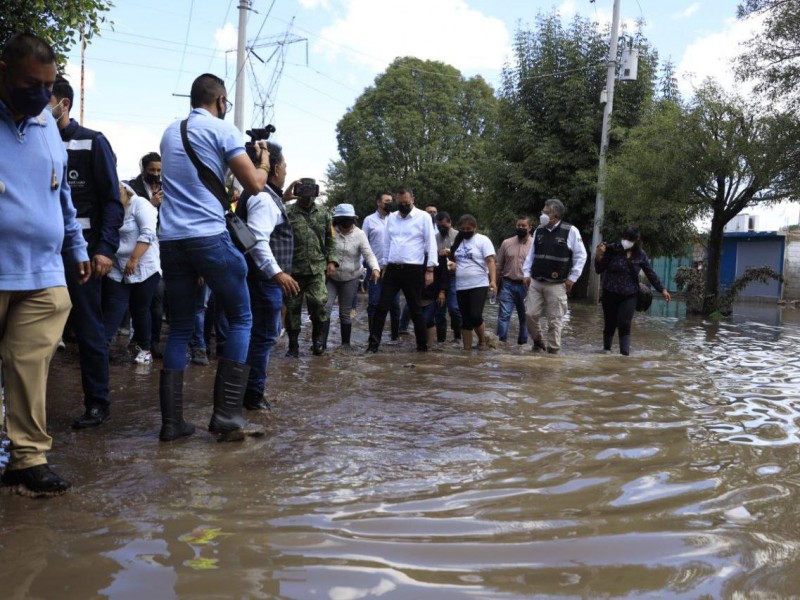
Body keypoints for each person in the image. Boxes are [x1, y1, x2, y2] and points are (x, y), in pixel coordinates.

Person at [0, 33, 91, 496]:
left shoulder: (46, 124)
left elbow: (63, 195)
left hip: (45, 272)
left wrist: (76, 247)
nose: (41, 95)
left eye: (48, 86)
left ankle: (27, 459)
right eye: (31, 84)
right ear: (3, 72)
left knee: (29, 364)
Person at [157, 72, 270, 442]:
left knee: (180, 329)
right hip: (208, 237)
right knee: (241, 318)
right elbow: (254, 184)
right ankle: (226, 417)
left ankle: (172, 425)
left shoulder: (170, 132)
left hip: (171, 241)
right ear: (221, 101)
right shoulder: (224, 131)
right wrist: (262, 162)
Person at [49, 76, 124, 429]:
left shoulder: (93, 143)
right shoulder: (33, 139)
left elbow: (113, 201)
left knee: (88, 328)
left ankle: (97, 404)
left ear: (63, 103)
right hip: (40, 252)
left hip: (84, 253)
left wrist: (105, 249)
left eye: (46, 98)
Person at [235, 142, 300, 410]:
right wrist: (278, 274)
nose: (286, 171)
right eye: (284, 167)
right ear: (274, 168)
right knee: (263, 336)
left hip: (255, 277)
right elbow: (259, 241)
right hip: (264, 280)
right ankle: (253, 395)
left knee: (254, 335)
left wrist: (282, 199)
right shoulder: (263, 199)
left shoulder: (261, 196)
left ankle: (244, 391)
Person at [367, 186, 438, 353]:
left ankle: (422, 347)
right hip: (392, 269)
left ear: (413, 199)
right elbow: (387, 243)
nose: (403, 206)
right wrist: (384, 264)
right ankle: (373, 346)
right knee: (381, 307)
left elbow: (431, 243)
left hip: (413, 270)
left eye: (406, 203)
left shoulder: (423, 217)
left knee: (415, 309)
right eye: (400, 203)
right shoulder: (392, 218)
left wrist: (430, 269)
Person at [101, 182, 161, 364]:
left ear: (124, 190)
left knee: (139, 308)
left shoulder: (140, 204)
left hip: (144, 265)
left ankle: (145, 348)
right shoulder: (109, 207)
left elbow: (148, 233)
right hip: (118, 265)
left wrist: (134, 259)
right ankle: (101, 347)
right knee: (114, 306)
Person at [522, 198, 587, 354]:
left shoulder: (570, 231)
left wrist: (573, 278)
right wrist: (526, 273)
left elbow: (581, 255)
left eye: (546, 212)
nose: (543, 215)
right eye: (543, 212)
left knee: (554, 320)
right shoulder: (539, 230)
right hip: (536, 281)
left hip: (557, 284)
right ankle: (538, 341)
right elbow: (531, 255)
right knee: (530, 314)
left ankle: (553, 352)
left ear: (556, 216)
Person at [594, 226, 671, 355]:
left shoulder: (640, 254)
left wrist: (662, 289)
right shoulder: (612, 250)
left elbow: (650, 273)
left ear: (636, 240)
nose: (626, 241)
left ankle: (625, 355)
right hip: (610, 292)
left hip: (629, 294)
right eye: (624, 238)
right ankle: (606, 351)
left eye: (629, 239)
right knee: (610, 323)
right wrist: (598, 255)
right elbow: (599, 269)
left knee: (624, 323)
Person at [283, 179, 338, 357]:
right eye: (303, 189)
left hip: (317, 268)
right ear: (297, 191)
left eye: (310, 189)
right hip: (293, 270)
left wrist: (332, 261)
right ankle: (293, 346)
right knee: (292, 308)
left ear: (316, 191)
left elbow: (331, 239)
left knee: (319, 303)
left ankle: (318, 342)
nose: (307, 193)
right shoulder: (288, 212)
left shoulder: (323, 213)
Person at [325, 203, 380, 348]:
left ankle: (345, 345)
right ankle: (321, 344)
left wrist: (375, 268)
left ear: (353, 219)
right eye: (343, 219)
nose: (346, 222)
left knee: (345, 312)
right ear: (338, 219)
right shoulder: (330, 231)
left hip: (351, 277)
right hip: (331, 277)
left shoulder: (359, 234)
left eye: (349, 219)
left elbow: (368, 254)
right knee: (325, 308)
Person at [451, 215, 497, 350]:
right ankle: (467, 351)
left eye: (468, 229)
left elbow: (490, 261)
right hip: (461, 285)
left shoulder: (483, 240)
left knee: (475, 315)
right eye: (462, 229)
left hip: (479, 283)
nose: (465, 231)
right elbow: (456, 259)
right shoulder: (458, 241)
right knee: (465, 319)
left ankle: (482, 341)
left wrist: (493, 281)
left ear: (475, 228)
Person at [361, 192, 401, 339]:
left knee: (395, 304)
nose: (389, 203)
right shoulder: (369, 220)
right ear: (378, 202)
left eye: (391, 201)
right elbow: (362, 243)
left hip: (393, 268)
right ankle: (373, 336)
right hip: (375, 267)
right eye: (386, 201)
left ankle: (395, 337)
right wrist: (361, 266)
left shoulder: (397, 219)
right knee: (374, 303)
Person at [495, 216, 533, 344]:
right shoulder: (506, 243)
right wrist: (494, 284)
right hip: (507, 284)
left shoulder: (535, 244)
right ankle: (500, 343)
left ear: (530, 227)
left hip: (527, 286)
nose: (521, 228)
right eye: (519, 226)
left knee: (525, 317)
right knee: (503, 316)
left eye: (524, 226)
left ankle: (522, 345)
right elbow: (499, 265)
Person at [433, 211, 462, 342]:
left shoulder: (459, 236)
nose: (441, 228)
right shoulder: (434, 238)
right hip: (439, 276)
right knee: (439, 310)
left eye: (444, 226)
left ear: (450, 223)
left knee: (454, 308)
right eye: (439, 226)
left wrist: (450, 253)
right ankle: (441, 341)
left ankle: (457, 337)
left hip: (455, 275)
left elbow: (465, 255)